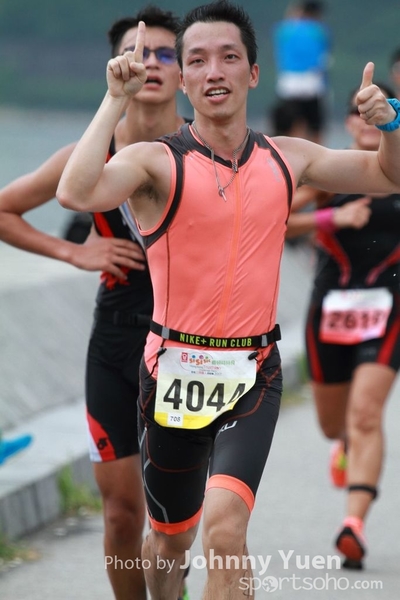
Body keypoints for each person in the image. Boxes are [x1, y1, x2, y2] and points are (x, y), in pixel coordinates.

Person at [57, 1, 400, 597]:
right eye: (197, 60)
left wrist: (391, 125)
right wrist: (114, 99)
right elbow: (76, 192)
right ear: (183, 79)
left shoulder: (289, 158)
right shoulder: (155, 162)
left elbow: (389, 176)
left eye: (229, 57)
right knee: (171, 542)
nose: (214, 71)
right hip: (172, 373)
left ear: (254, 73)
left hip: (252, 374)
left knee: (225, 529)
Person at [0, 6, 189, 599]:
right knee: (121, 513)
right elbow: (5, 209)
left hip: (190, 345)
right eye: (138, 52)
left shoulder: (204, 149)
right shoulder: (90, 153)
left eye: (165, 53)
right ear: (115, 66)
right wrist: (74, 252)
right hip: (115, 339)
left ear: (184, 71)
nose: (150, 64)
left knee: (173, 521)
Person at [286, 81, 400, 570]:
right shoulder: (331, 174)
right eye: (356, 112)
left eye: (376, 109)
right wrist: (332, 219)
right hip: (329, 308)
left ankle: (353, 524)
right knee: (335, 423)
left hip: (389, 309)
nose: (364, 119)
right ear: (350, 123)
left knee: (367, 413)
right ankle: (346, 444)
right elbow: (273, 218)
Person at [272, 1, 332, 143]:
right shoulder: (320, 31)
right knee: (316, 127)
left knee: (288, 127)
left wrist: (293, 14)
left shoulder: (284, 30)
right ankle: (318, 154)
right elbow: (324, 58)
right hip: (313, 83)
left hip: (288, 84)